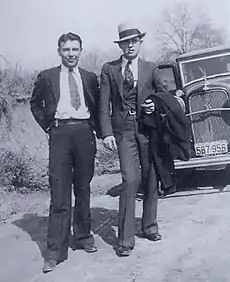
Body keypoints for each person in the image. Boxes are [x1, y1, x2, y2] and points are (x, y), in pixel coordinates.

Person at [30, 32, 100, 273]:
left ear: (81, 51)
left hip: (84, 133)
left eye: (75, 49)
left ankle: (83, 237)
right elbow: (34, 103)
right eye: (66, 50)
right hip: (59, 134)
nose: (71, 54)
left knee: (83, 187)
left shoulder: (90, 78)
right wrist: (48, 126)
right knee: (59, 192)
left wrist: (101, 132)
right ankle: (55, 251)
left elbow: (99, 105)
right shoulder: (47, 76)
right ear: (59, 51)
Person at [99, 22, 165, 257]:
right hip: (123, 131)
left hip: (147, 129)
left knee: (150, 177)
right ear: (121, 45)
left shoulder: (150, 68)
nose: (130, 46)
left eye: (133, 41)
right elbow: (103, 104)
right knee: (130, 180)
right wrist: (106, 133)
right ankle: (125, 240)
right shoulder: (109, 69)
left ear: (140, 43)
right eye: (125, 42)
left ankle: (149, 227)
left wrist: (153, 104)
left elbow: (163, 96)